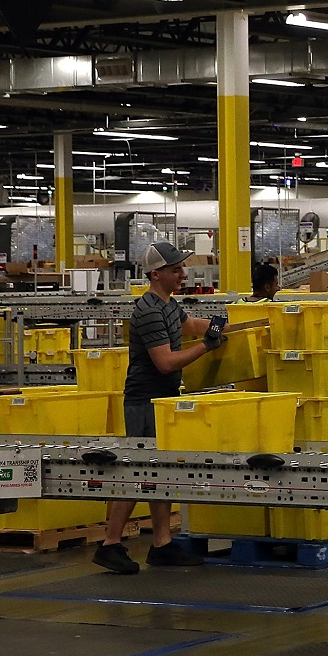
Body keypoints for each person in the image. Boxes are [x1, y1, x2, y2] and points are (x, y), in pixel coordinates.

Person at [93, 241, 228, 574]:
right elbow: (166, 362)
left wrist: (215, 325)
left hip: (162, 399)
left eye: (181, 268)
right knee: (136, 471)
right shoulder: (149, 311)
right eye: (175, 270)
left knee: (160, 469)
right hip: (144, 400)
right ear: (156, 274)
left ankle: (162, 543)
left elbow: (186, 324)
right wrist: (206, 348)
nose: (182, 274)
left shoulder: (167, 304)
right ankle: (110, 544)